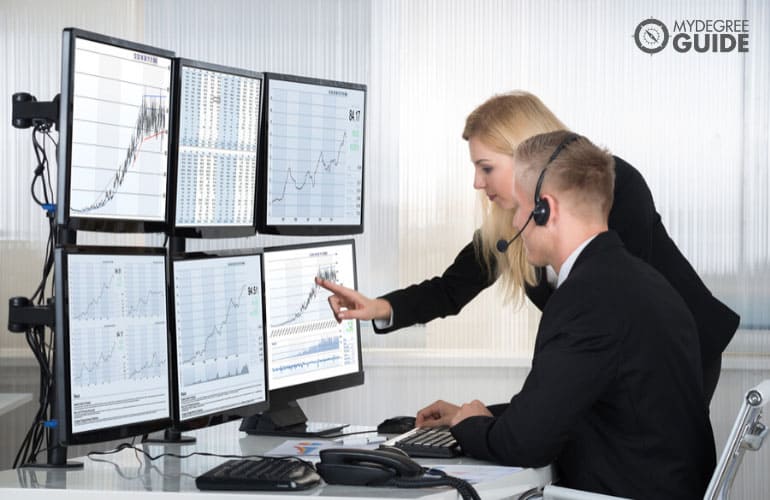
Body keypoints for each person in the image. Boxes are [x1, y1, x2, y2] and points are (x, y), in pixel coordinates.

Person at [317, 91, 738, 404]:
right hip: (616, 358)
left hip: (678, 351)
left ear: (524, 156)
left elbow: (626, 307)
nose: (477, 184)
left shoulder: (610, 185)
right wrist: (378, 307)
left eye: (486, 168)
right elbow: (451, 288)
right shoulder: (517, 221)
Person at [415, 131, 716, 498]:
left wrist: (470, 426)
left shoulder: (587, 298)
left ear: (546, 210)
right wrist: (478, 415)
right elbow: (574, 403)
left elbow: (525, 444)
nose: (513, 224)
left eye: (521, 208)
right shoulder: (641, 281)